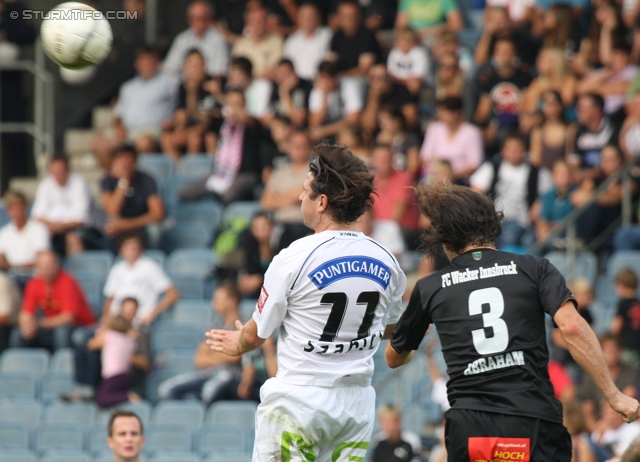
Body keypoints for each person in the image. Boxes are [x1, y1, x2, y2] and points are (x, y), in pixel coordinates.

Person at [384, 183, 640, 460]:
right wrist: (613, 395)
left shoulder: (430, 287)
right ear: (492, 226)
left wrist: (417, 331)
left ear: (444, 239)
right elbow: (573, 327)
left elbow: (393, 359)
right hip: (532, 421)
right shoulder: (535, 268)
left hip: (471, 428)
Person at [206, 144, 407, 461]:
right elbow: (390, 329)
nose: (300, 198)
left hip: (299, 401)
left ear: (322, 202)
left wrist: (237, 344)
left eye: (304, 191)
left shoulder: (293, 257)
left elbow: (256, 335)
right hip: (355, 407)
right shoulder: (387, 260)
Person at [92, 46, 179, 169]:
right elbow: (118, 113)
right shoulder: (127, 87)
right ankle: (115, 178)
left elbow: (179, 105)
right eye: (143, 61)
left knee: (143, 143)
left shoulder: (168, 82)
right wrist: (119, 127)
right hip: (128, 132)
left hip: (153, 131)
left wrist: (173, 121)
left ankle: (140, 181)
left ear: (157, 62)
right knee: (98, 144)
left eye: (150, 60)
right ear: (137, 64)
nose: (147, 64)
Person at [157, 283, 243, 403]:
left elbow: (236, 357)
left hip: (231, 375)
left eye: (217, 299)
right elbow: (199, 359)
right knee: (167, 390)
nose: (213, 304)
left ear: (231, 301)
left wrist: (212, 353)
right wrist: (224, 355)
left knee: (209, 392)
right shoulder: (214, 326)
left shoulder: (243, 326)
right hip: (207, 373)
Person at [12, 251, 95, 351]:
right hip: (50, 325)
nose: (46, 269)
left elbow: (68, 318)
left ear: (57, 265)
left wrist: (38, 324)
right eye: (42, 265)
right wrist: (27, 325)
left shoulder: (68, 282)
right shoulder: (34, 284)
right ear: (37, 267)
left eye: (50, 265)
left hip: (80, 325)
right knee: (18, 333)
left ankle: (62, 363)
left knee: (62, 331)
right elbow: (25, 313)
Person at [102, 233, 179, 327]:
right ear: (121, 250)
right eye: (128, 246)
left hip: (140, 324)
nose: (131, 249)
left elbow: (172, 294)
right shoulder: (116, 269)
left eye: (134, 246)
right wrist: (105, 321)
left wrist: (152, 314)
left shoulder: (150, 267)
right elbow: (110, 298)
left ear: (141, 248)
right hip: (118, 324)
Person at [99, 145, 165, 248]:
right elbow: (112, 211)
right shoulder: (107, 181)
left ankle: (152, 258)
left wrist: (126, 225)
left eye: (129, 160)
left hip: (142, 225)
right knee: (108, 232)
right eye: (121, 160)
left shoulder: (146, 180)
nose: (125, 164)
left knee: (154, 230)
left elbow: (158, 214)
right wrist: (123, 182)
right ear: (114, 162)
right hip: (119, 226)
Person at [31, 154, 94, 256]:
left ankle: (74, 270)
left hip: (80, 231)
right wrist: (52, 226)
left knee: (72, 237)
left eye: (61, 172)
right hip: (52, 229)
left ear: (68, 170)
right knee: (40, 236)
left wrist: (59, 226)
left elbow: (81, 219)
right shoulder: (45, 185)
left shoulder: (80, 184)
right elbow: (37, 216)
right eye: (55, 172)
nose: (58, 175)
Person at [578, 333, 639, 433]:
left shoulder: (632, 372)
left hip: (626, 424)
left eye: (614, 349)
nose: (610, 352)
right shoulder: (590, 376)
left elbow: (629, 396)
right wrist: (596, 431)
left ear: (621, 351)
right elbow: (587, 410)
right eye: (606, 349)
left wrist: (607, 424)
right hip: (598, 426)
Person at [162, 0, 229, 78]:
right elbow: (169, 69)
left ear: (209, 19)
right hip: (184, 84)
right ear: (189, 20)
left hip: (205, 85)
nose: (197, 22)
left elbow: (219, 71)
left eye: (201, 18)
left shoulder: (218, 39)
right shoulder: (182, 39)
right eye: (193, 18)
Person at [0, 190, 50, 290]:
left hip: (34, 277)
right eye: (14, 208)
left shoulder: (39, 229)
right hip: (11, 278)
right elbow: (1, 260)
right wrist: (18, 266)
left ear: (25, 208)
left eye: (20, 208)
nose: (17, 211)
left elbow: (42, 260)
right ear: (8, 211)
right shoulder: (4, 232)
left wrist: (14, 266)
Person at [92, 314, 140, 408]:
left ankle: (128, 397)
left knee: (102, 399)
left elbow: (92, 345)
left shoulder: (109, 335)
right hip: (125, 375)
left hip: (112, 373)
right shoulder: (130, 341)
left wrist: (101, 332)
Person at [283, 2, 333, 82]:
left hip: (319, 82)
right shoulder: (292, 40)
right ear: (299, 19)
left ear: (318, 18)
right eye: (304, 17)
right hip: (296, 82)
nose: (308, 20)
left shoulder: (328, 36)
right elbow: (287, 65)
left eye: (311, 16)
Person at [231, 6, 284, 79]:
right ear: (247, 24)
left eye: (261, 20)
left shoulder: (276, 41)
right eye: (253, 21)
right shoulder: (241, 43)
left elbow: (276, 69)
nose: (258, 24)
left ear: (267, 22)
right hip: (243, 83)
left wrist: (253, 79)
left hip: (266, 82)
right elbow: (235, 67)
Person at [611, 269, 640, 367]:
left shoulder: (623, 304)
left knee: (625, 371)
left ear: (622, 286)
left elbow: (617, 325)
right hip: (637, 344)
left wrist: (611, 338)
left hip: (626, 345)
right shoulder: (637, 303)